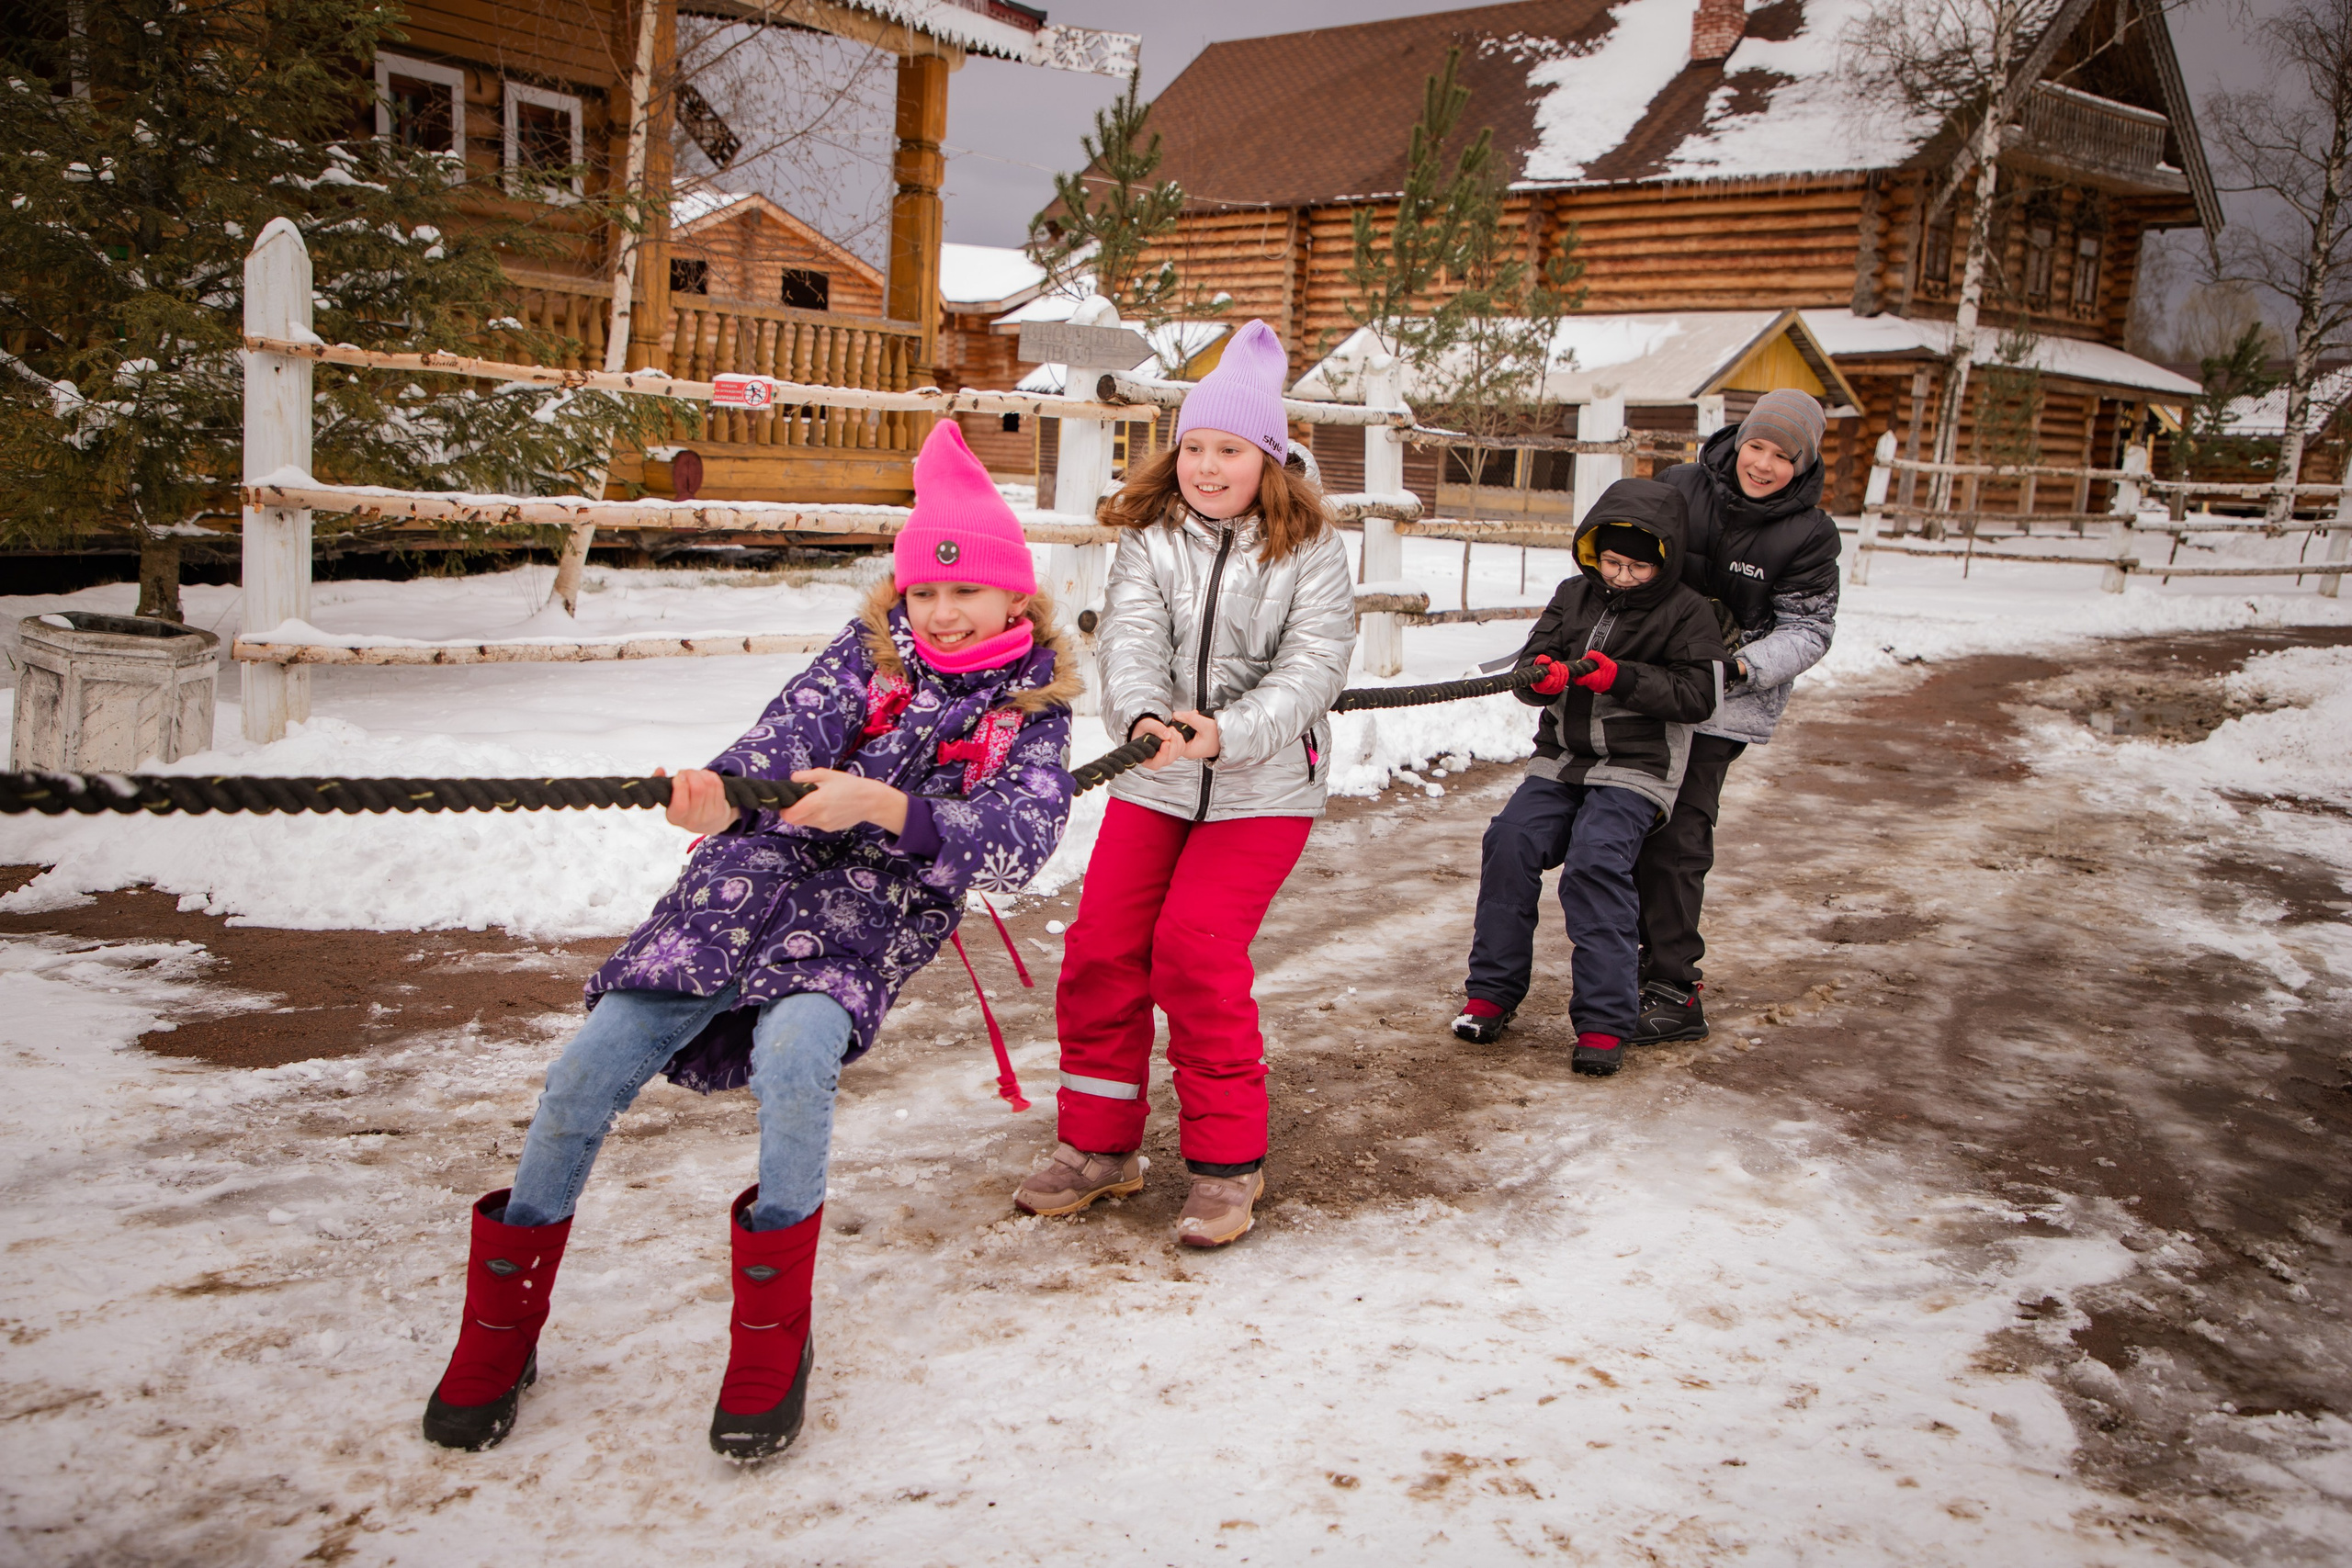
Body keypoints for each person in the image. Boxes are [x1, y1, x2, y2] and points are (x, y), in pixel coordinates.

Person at [418, 421, 1080, 1461]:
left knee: (795, 1056)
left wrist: (888, 808)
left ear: (1016, 600)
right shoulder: (862, 660)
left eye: (966, 592)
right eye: (924, 592)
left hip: (862, 920)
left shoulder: (1030, 710)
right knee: (587, 1067)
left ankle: (773, 1334)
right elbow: (780, 740)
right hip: (736, 893)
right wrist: (720, 798)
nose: (942, 613)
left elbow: (1016, 844)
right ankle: (501, 1328)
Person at [1012, 319, 1355, 1248]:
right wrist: (1141, 722)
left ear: (1268, 459)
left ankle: (1224, 1167)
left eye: (1229, 450)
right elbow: (1127, 638)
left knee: (1194, 954)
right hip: (1157, 775)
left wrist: (1226, 734)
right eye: (1194, 447)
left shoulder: (1311, 548)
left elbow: (1313, 667)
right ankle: (1099, 1146)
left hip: (1263, 786)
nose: (1207, 467)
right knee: (1100, 950)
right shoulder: (1154, 537)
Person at [1451, 479, 1727, 1077]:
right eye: (1610, 562)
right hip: (1562, 758)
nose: (1620, 577)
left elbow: (1699, 695)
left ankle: (1605, 1019)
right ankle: (1491, 992)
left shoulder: (1687, 612)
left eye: (1635, 567)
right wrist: (1540, 678)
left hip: (1637, 765)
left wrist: (1619, 678)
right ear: (1592, 552)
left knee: (1596, 859)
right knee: (1510, 841)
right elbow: (1532, 663)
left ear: (1664, 561)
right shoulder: (1573, 595)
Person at [1633, 389, 1840, 1044]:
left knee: (1677, 833)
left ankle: (1673, 987)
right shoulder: (1678, 487)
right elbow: (1628, 558)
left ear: (1803, 464)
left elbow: (1809, 629)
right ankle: (1626, 963)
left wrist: (1740, 667)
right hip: (1648, 681)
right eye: (1757, 445)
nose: (1764, 463)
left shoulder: (1809, 533)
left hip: (1724, 700)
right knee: (1619, 822)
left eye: (1783, 455)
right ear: (1739, 439)